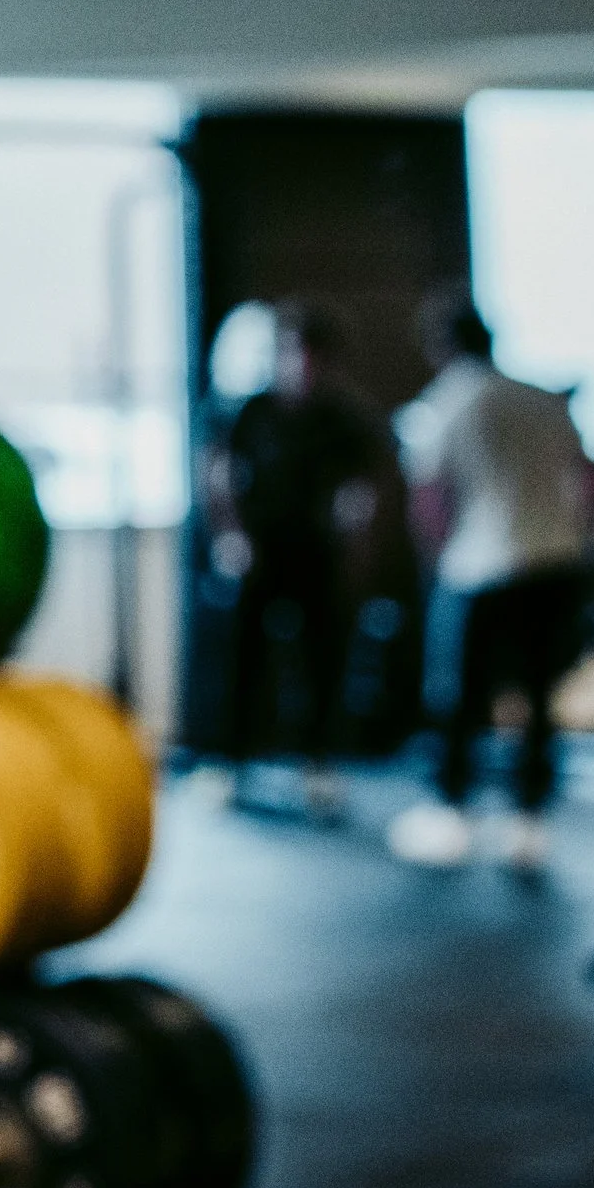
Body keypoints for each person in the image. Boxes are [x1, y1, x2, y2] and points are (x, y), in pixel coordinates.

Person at [389, 289, 594, 870]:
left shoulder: (449, 402)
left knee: (458, 695)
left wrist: (439, 561)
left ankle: (451, 813)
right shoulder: (543, 401)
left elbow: (429, 498)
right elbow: (585, 484)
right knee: (537, 694)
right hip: (556, 564)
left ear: (441, 345)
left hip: (480, 569)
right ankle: (529, 820)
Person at [211, 301, 396, 818]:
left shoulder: (343, 417)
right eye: (295, 354)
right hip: (259, 551)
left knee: (323, 660)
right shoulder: (252, 412)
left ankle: (318, 766)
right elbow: (220, 472)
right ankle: (231, 763)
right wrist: (232, 536)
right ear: (281, 356)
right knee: (246, 659)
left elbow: (365, 485)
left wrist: (358, 538)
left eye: (315, 357)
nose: (304, 366)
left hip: (317, 553)